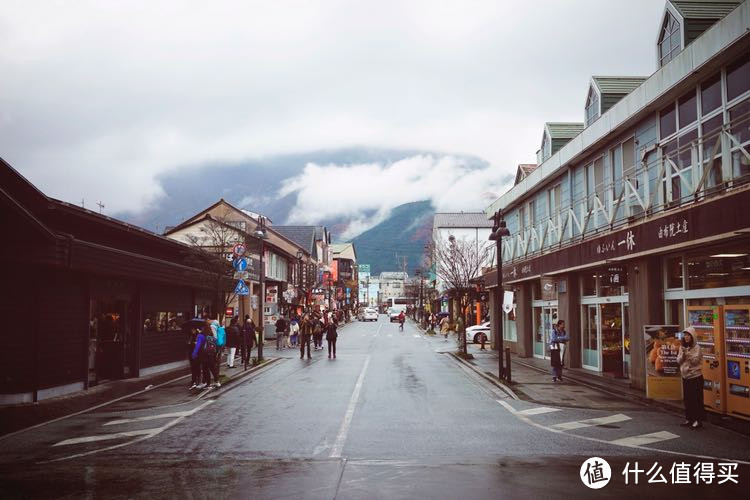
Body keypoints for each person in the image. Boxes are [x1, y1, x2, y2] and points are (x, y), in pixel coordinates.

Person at [677, 327, 705, 429]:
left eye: (688, 335)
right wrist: (683, 354)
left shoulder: (697, 348)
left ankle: (698, 420)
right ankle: (689, 419)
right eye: (685, 335)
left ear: (693, 337)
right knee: (687, 399)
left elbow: (695, 361)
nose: (686, 337)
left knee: (696, 400)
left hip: (695, 377)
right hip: (685, 377)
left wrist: (687, 354)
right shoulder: (682, 347)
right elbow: (679, 361)